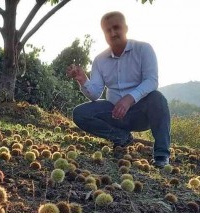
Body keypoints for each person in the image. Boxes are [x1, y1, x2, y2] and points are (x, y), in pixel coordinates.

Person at [66, 11, 171, 167]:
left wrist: (129, 98)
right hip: (114, 114)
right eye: (108, 30)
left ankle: (162, 155)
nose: (113, 33)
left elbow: (151, 80)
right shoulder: (100, 60)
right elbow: (95, 94)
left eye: (117, 28)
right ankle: (121, 137)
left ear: (126, 28)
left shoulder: (143, 49)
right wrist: (83, 81)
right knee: (80, 113)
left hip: (141, 113)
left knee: (158, 99)